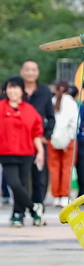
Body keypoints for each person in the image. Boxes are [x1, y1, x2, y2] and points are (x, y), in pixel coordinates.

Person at [0, 77, 45, 226]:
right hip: (6, 153)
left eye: (15, 87)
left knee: (24, 185)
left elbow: (36, 133)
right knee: (14, 185)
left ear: (21, 90)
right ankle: (34, 209)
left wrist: (40, 152)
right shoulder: (1, 107)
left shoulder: (29, 110)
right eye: (9, 88)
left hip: (26, 153)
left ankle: (17, 215)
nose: (12, 91)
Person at [19, 61, 55, 215]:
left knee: (39, 177)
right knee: (20, 178)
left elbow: (51, 117)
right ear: (22, 72)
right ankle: (19, 211)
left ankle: (38, 209)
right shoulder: (15, 89)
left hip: (38, 141)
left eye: (33, 70)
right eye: (27, 70)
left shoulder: (44, 91)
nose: (30, 73)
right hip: (18, 142)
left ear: (37, 72)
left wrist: (46, 135)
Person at [48, 81, 79, 208]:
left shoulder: (52, 101)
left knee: (54, 168)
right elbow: (76, 121)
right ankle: (65, 196)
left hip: (52, 139)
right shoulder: (71, 102)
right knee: (67, 168)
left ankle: (56, 196)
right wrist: (71, 136)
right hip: (68, 139)